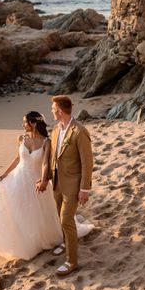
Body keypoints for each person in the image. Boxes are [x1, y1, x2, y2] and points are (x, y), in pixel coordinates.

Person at [0, 111, 63, 260]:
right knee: (19, 210)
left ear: (33, 124)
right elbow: (17, 158)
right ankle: (21, 240)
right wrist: (5, 174)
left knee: (37, 211)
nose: (23, 125)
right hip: (19, 177)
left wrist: (43, 180)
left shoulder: (46, 141)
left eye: (25, 122)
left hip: (35, 179)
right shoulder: (21, 138)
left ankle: (38, 240)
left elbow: (46, 163)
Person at [42, 95, 93, 277]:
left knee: (66, 220)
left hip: (73, 185)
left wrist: (84, 189)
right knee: (60, 218)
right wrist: (46, 178)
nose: (51, 111)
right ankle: (66, 242)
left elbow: (87, 163)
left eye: (53, 109)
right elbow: (52, 158)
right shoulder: (56, 131)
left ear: (60, 111)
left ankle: (71, 261)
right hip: (57, 184)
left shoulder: (79, 132)